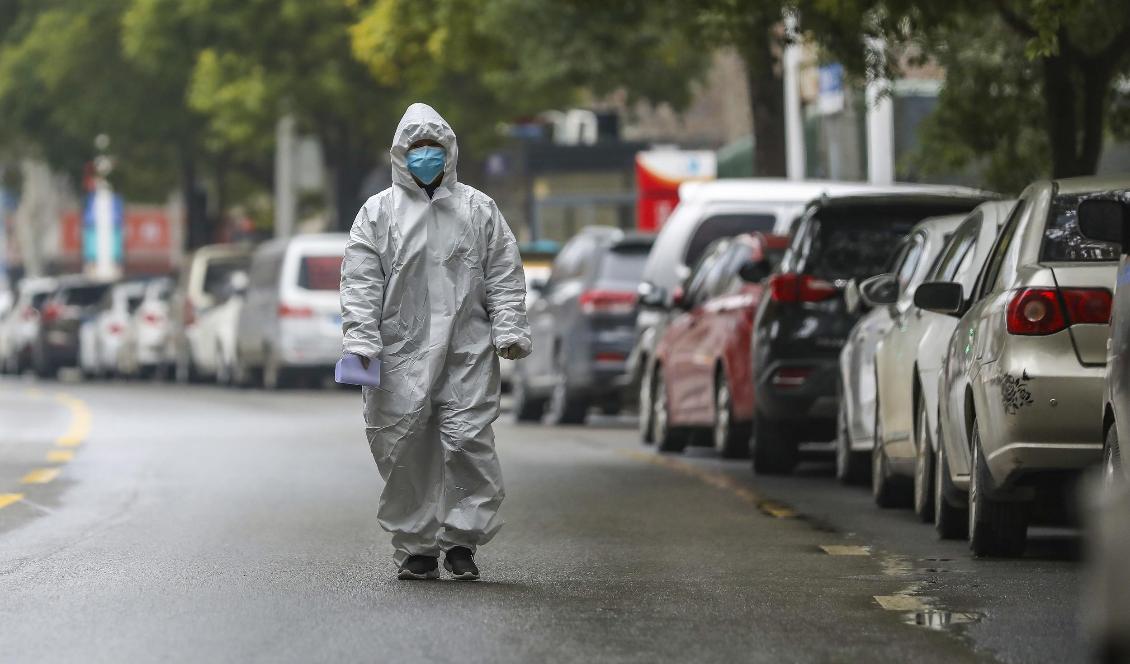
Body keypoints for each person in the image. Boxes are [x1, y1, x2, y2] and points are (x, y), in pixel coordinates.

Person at [339, 103, 531, 581]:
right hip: (400, 351)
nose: (426, 157)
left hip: (466, 350)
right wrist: (361, 341)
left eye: (434, 149)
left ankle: (461, 542)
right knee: (404, 447)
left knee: (468, 442)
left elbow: (503, 274)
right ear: (401, 155)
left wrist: (508, 328)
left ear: (450, 152)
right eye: (417, 149)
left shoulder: (478, 209)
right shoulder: (378, 213)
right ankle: (418, 547)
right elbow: (360, 282)